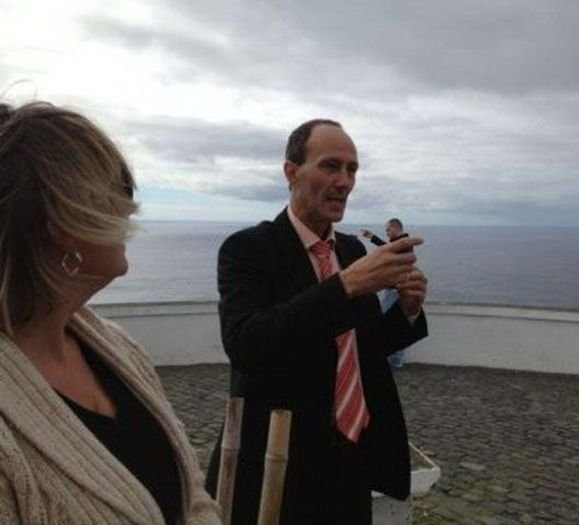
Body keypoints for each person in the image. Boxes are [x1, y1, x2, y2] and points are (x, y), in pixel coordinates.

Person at [0, 102, 220, 524]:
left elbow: (190, 491)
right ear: (63, 225)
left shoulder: (119, 349)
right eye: (116, 195)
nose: (129, 210)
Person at [205, 119, 428, 524]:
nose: (344, 181)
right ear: (291, 172)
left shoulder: (351, 249)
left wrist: (407, 310)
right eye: (330, 166)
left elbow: (364, 348)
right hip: (278, 461)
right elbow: (246, 344)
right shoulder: (248, 249)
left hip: (351, 459)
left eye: (352, 169)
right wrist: (344, 287)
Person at [361, 218, 412, 367]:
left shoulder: (404, 243)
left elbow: (388, 249)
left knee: (384, 322)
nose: (387, 232)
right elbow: (388, 248)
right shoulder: (402, 243)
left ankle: (393, 359)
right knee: (395, 323)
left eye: (388, 230)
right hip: (396, 290)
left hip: (396, 291)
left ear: (396, 228)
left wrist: (373, 238)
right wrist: (372, 237)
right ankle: (394, 359)